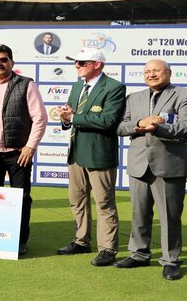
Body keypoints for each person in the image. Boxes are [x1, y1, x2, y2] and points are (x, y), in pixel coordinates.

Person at [116, 60, 187, 280]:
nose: (151, 75)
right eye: (147, 72)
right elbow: (121, 126)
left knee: (169, 215)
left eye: (156, 71)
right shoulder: (134, 97)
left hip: (168, 164)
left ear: (168, 73)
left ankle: (171, 260)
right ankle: (139, 253)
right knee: (139, 212)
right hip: (139, 162)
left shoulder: (184, 95)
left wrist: (159, 127)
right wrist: (140, 123)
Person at [0, 44, 47, 256]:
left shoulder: (26, 84)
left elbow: (40, 118)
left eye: (3, 59)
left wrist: (30, 146)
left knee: (21, 198)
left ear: (11, 63)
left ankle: (20, 240)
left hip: (18, 153)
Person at [56, 47, 126, 267]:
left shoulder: (114, 87)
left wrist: (74, 117)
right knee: (77, 200)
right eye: (75, 62)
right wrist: (66, 119)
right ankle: (81, 240)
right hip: (76, 153)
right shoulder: (78, 86)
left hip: (99, 154)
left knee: (104, 204)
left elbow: (108, 121)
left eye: (81, 62)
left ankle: (107, 249)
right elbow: (71, 119)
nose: (76, 66)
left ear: (97, 65)